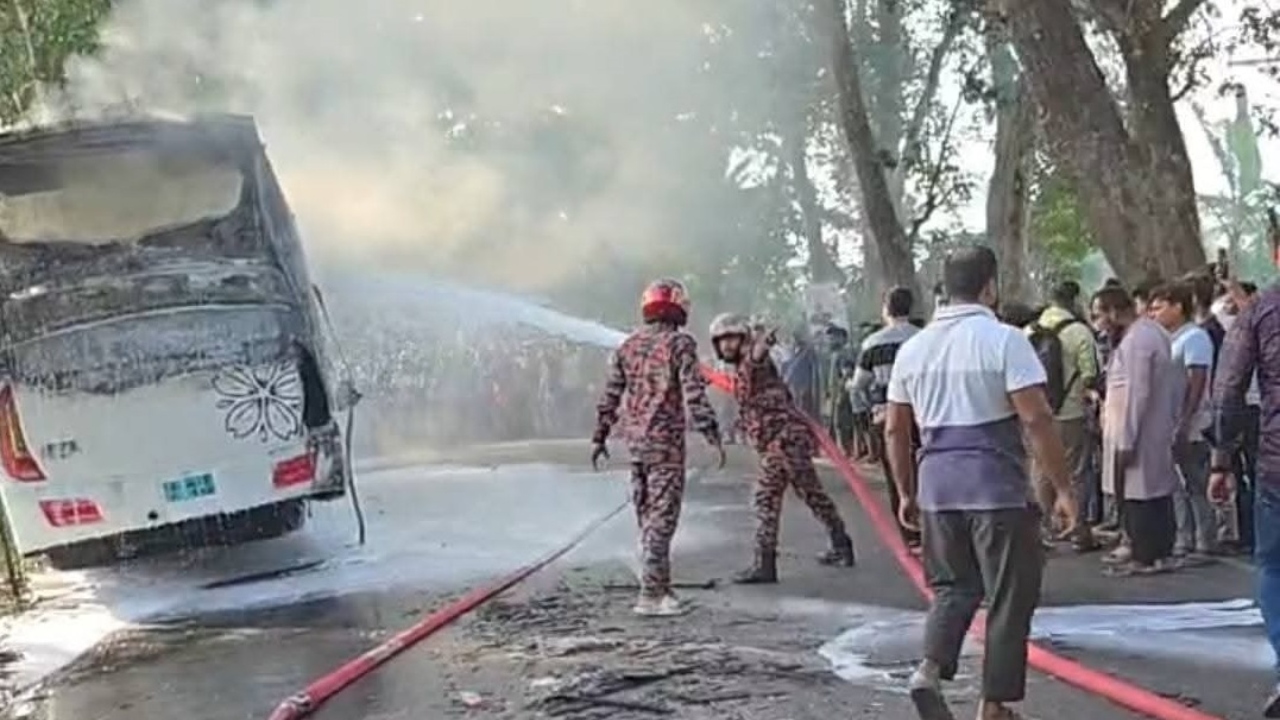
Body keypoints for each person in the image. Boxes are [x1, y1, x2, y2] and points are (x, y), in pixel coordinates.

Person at [885, 246, 1077, 720]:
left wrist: (907, 492)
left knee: (953, 587)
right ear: (990, 287)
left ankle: (928, 670)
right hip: (996, 489)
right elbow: (1036, 417)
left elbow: (895, 429)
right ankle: (993, 705)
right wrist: (1063, 488)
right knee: (1010, 596)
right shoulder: (1005, 340)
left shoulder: (914, 349)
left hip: (937, 488)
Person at [591, 278, 724, 617]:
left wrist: (600, 436)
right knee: (662, 521)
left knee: (647, 518)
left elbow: (610, 396)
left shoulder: (627, 347)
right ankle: (651, 595)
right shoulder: (681, 344)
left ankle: (660, 587)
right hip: (666, 447)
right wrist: (711, 432)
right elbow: (694, 393)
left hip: (635, 447)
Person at [708, 312, 856, 583]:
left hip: (783, 440)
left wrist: (761, 346)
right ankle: (841, 544)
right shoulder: (740, 368)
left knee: (765, 497)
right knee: (812, 494)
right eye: (721, 341)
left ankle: (765, 564)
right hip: (785, 440)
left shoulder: (754, 360)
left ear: (744, 338)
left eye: (732, 339)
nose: (726, 345)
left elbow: (757, 358)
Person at [1210, 270, 1280, 716]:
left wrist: (1221, 459)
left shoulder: (1261, 311)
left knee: (1275, 567)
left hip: (1276, 465)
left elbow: (1228, 390)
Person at [1092, 285, 1181, 576]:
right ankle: (1155, 552)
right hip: (1148, 427)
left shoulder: (1138, 341)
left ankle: (1146, 555)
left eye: (1100, 315)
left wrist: (1126, 439)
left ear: (1114, 311)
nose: (1099, 323)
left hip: (1137, 431)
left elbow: (1136, 393)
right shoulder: (1147, 333)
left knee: (1138, 495)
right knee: (1151, 492)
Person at [1147, 282, 1219, 559]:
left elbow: (1196, 381)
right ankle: (1183, 537)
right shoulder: (1167, 339)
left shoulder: (1194, 338)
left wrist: (1185, 420)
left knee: (1196, 482)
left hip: (1192, 423)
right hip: (1166, 421)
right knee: (1176, 485)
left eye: (1159, 307)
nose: (1153, 314)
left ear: (1178, 307)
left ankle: (1205, 540)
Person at [1028, 280, 1100, 552]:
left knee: (1040, 469)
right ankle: (1078, 529)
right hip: (1071, 411)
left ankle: (1042, 530)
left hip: (1037, 409)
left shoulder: (1029, 331)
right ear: (1074, 301)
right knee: (1077, 470)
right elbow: (1090, 373)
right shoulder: (1080, 331)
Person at [850, 286, 921, 550]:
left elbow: (860, 383)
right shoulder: (923, 338)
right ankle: (933, 532)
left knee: (897, 476)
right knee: (925, 472)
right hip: (922, 417)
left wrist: (851, 387)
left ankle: (910, 535)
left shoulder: (873, 343)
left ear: (886, 309)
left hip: (886, 417)